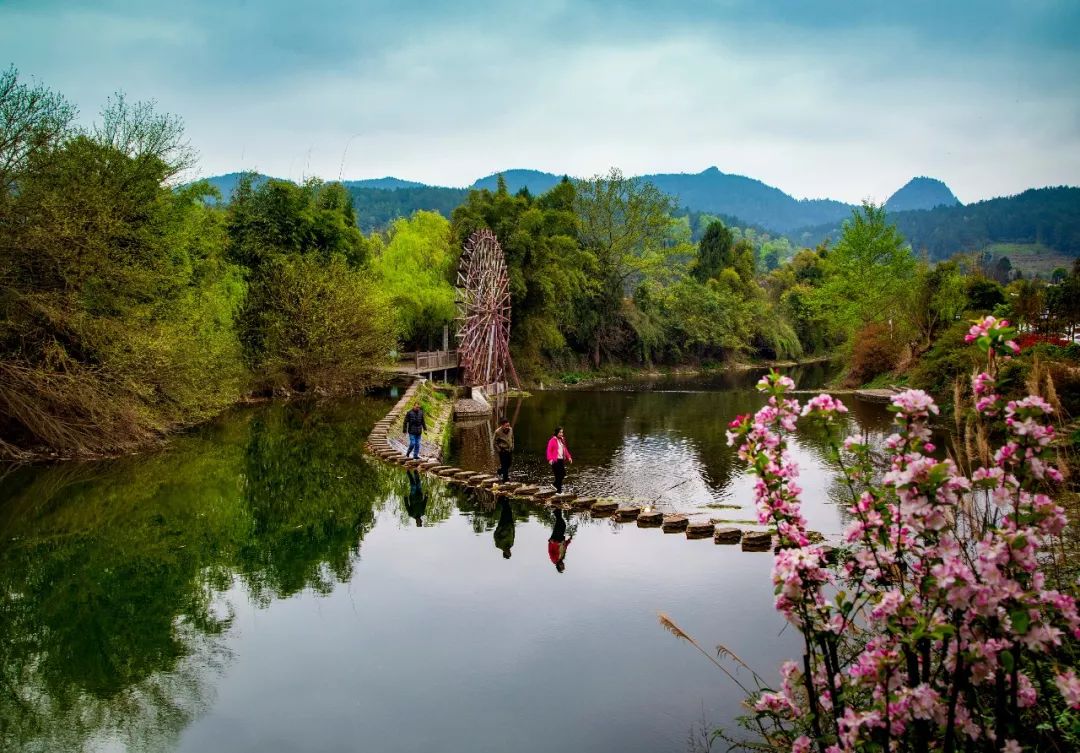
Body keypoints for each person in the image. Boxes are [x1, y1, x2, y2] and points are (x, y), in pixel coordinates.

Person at [545, 426, 572, 493]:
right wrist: (550, 459)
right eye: (560, 432)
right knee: (558, 476)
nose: (561, 434)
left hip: (561, 460)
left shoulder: (562, 440)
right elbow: (548, 450)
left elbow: (565, 449)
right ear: (556, 432)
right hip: (555, 460)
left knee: (563, 474)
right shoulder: (552, 440)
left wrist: (569, 457)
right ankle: (558, 492)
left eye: (562, 432)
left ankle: (554, 485)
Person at [547, 508, 572, 572]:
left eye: (562, 566)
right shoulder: (562, 558)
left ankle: (556, 510)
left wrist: (554, 543)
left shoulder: (554, 560)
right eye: (563, 566)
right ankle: (557, 510)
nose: (563, 565)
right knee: (563, 525)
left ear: (558, 566)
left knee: (559, 524)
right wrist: (569, 540)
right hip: (560, 539)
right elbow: (564, 547)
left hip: (555, 539)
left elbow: (550, 551)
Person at [493, 417, 514, 482]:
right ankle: (505, 480)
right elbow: (494, 442)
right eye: (506, 426)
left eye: (508, 425)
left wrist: (513, 446)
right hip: (502, 451)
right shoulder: (497, 432)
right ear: (502, 425)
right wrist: (499, 449)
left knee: (509, 464)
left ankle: (500, 471)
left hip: (509, 450)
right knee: (504, 465)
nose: (508, 427)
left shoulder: (511, 429)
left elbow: (512, 438)